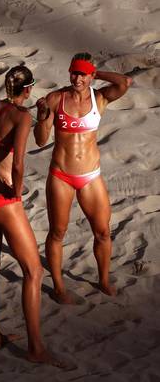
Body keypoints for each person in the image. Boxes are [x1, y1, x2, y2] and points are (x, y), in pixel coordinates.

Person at [0, 65, 57, 365]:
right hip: (2, 201)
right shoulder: (21, 117)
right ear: (29, 89)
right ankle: (36, 349)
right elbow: (18, 164)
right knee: (34, 271)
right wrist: (15, 195)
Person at [34, 53, 132, 304]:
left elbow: (124, 83)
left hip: (90, 176)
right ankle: (58, 287)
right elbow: (41, 140)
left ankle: (104, 281)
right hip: (61, 176)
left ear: (90, 75)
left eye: (82, 74)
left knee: (102, 232)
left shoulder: (99, 97)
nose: (77, 78)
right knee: (57, 232)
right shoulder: (56, 98)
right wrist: (43, 115)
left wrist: (95, 74)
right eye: (74, 73)